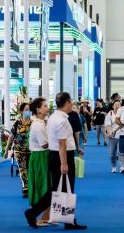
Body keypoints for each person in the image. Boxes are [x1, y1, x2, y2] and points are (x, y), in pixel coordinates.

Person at [24, 92, 87, 230]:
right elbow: (62, 143)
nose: (72, 104)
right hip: (62, 156)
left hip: (55, 155)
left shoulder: (54, 117)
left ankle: (67, 220)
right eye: (71, 102)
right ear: (67, 103)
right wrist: (64, 163)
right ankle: (34, 213)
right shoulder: (61, 120)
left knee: (61, 189)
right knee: (63, 189)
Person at [26, 98, 51, 225]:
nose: (47, 108)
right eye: (45, 106)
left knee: (47, 185)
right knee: (42, 186)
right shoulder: (38, 125)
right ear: (38, 110)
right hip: (41, 157)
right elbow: (44, 144)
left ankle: (46, 217)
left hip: (42, 156)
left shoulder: (41, 122)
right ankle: (37, 216)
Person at [12, 102, 33, 197]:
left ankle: (31, 187)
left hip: (31, 151)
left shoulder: (33, 123)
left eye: (30, 110)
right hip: (19, 150)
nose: (28, 111)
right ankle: (25, 189)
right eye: (26, 110)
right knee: (22, 169)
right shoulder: (17, 123)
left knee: (30, 170)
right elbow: (11, 136)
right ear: (21, 111)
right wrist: (7, 149)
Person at [106, 100, 121, 173]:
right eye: (116, 104)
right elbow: (107, 125)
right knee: (112, 154)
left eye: (119, 104)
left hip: (122, 135)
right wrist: (109, 133)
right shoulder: (110, 114)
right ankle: (114, 167)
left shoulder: (123, 113)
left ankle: (122, 167)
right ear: (113, 106)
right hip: (113, 136)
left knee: (121, 153)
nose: (117, 106)